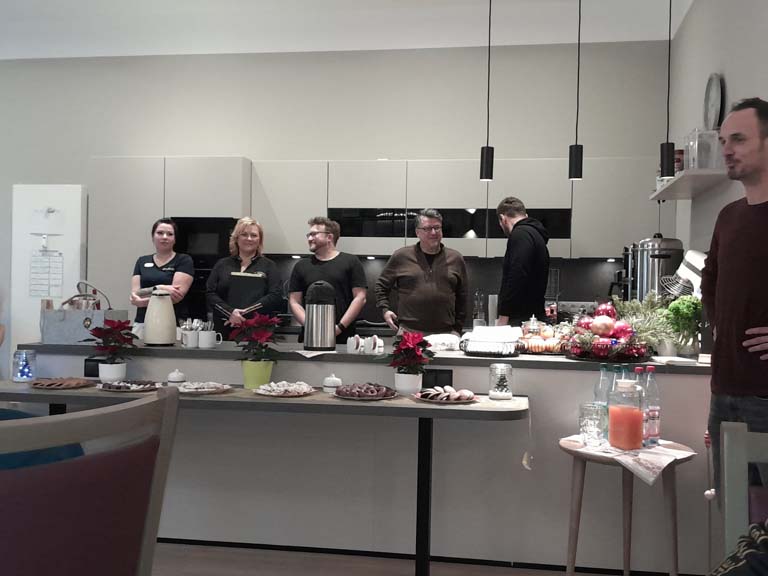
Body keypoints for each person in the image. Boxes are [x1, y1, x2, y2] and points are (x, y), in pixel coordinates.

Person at [702, 97, 768, 493]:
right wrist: (720, 325)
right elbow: (710, 280)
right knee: (733, 517)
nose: (726, 149)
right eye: (724, 140)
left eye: (739, 139)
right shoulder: (729, 216)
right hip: (724, 392)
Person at [375, 209, 468, 335]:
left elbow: (463, 297)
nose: (433, 232)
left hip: (445, 334)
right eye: (427, 228)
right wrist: (385, 310)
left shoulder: (455, 258)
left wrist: (457, 329)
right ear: (417, 232)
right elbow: (381, 286)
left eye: (437, 228)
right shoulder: (401, 256)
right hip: (408, 332)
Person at [289, 217, 367, 344]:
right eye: (309, 235)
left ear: (329, 237)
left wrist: (339, 327)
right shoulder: (301, 266)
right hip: (309, 337)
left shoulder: (351, 262)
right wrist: (311, 326)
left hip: (344, 337)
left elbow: (360, 297)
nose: (309, 238)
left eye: (314, 234)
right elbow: (294, 301)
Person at [206, 217, 283, 339]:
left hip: (257, 331)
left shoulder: (269, 266)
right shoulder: (222, 264)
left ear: (260, 240)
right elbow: (210, 294)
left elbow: (275, 295)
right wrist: (230, 313)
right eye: (244, 234)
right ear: (236, 238)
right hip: (224, 328)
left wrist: (244, 314)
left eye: (254, 235)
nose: (249, 239)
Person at [495, 197, 550, 326]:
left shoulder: (520, 235)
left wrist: (504, 316)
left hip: (520, 319)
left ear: (503, 218)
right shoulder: (536, 235)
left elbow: (517, 274)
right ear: (525, 216)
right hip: (534, 316)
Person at [130, 218, 194, 325]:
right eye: (160, 233)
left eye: (170, 234)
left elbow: (175, 297)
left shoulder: (184, 260)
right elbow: (136, 294)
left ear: (175, 239)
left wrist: (143, 300)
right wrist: (160, 288)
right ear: (153, 237)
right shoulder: (142, 261)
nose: (164, 237)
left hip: (172, 322)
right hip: (143, 322)